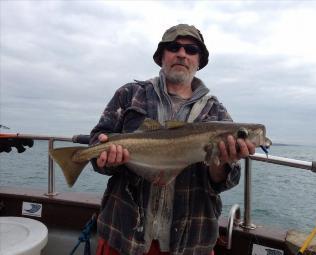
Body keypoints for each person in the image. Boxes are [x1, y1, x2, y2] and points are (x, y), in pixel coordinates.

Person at [90, 24, 255, 255]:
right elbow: (97, 141)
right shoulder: (129, 94)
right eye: (174, 47)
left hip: (191, 243)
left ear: (199, 61)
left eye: (191, 49)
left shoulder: (216, 113)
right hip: (123, 235)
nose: (182, 54)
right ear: (161, 56)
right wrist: (106, 158)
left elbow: (224, 181)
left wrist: (221, 162)